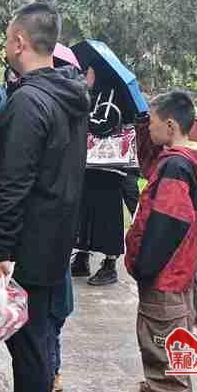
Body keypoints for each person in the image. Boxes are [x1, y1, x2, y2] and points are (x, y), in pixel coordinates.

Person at [0, 2, 89, 392]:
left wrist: (0, 248)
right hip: (53, 237)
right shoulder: (69, 96)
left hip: (27, 244)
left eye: (8, 38)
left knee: (29, 343)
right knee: (32, 334)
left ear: (20, 42)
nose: (6, 46)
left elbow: (12, 185)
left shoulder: (28, 102)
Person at [125, 91, 197, 392]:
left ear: (170, 125)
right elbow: (149, 165)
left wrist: (144, 266)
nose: (149, 127)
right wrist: (142, 126)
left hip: (163, 274)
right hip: (174, 271)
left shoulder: (176, 167)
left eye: (151, 122)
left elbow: (168, 223)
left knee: (162, 342)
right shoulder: (178, 160)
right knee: (164, 340)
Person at [71, 65, 130, 286]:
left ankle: (110, 264)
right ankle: (82, 256)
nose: (86, 75)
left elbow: (104, 124)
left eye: (89, 71)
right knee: (86, 212)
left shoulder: (111, 93)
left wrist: (80, 114)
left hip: (108, 168)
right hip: (93, 166)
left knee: (107, 216)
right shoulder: (97, 93)